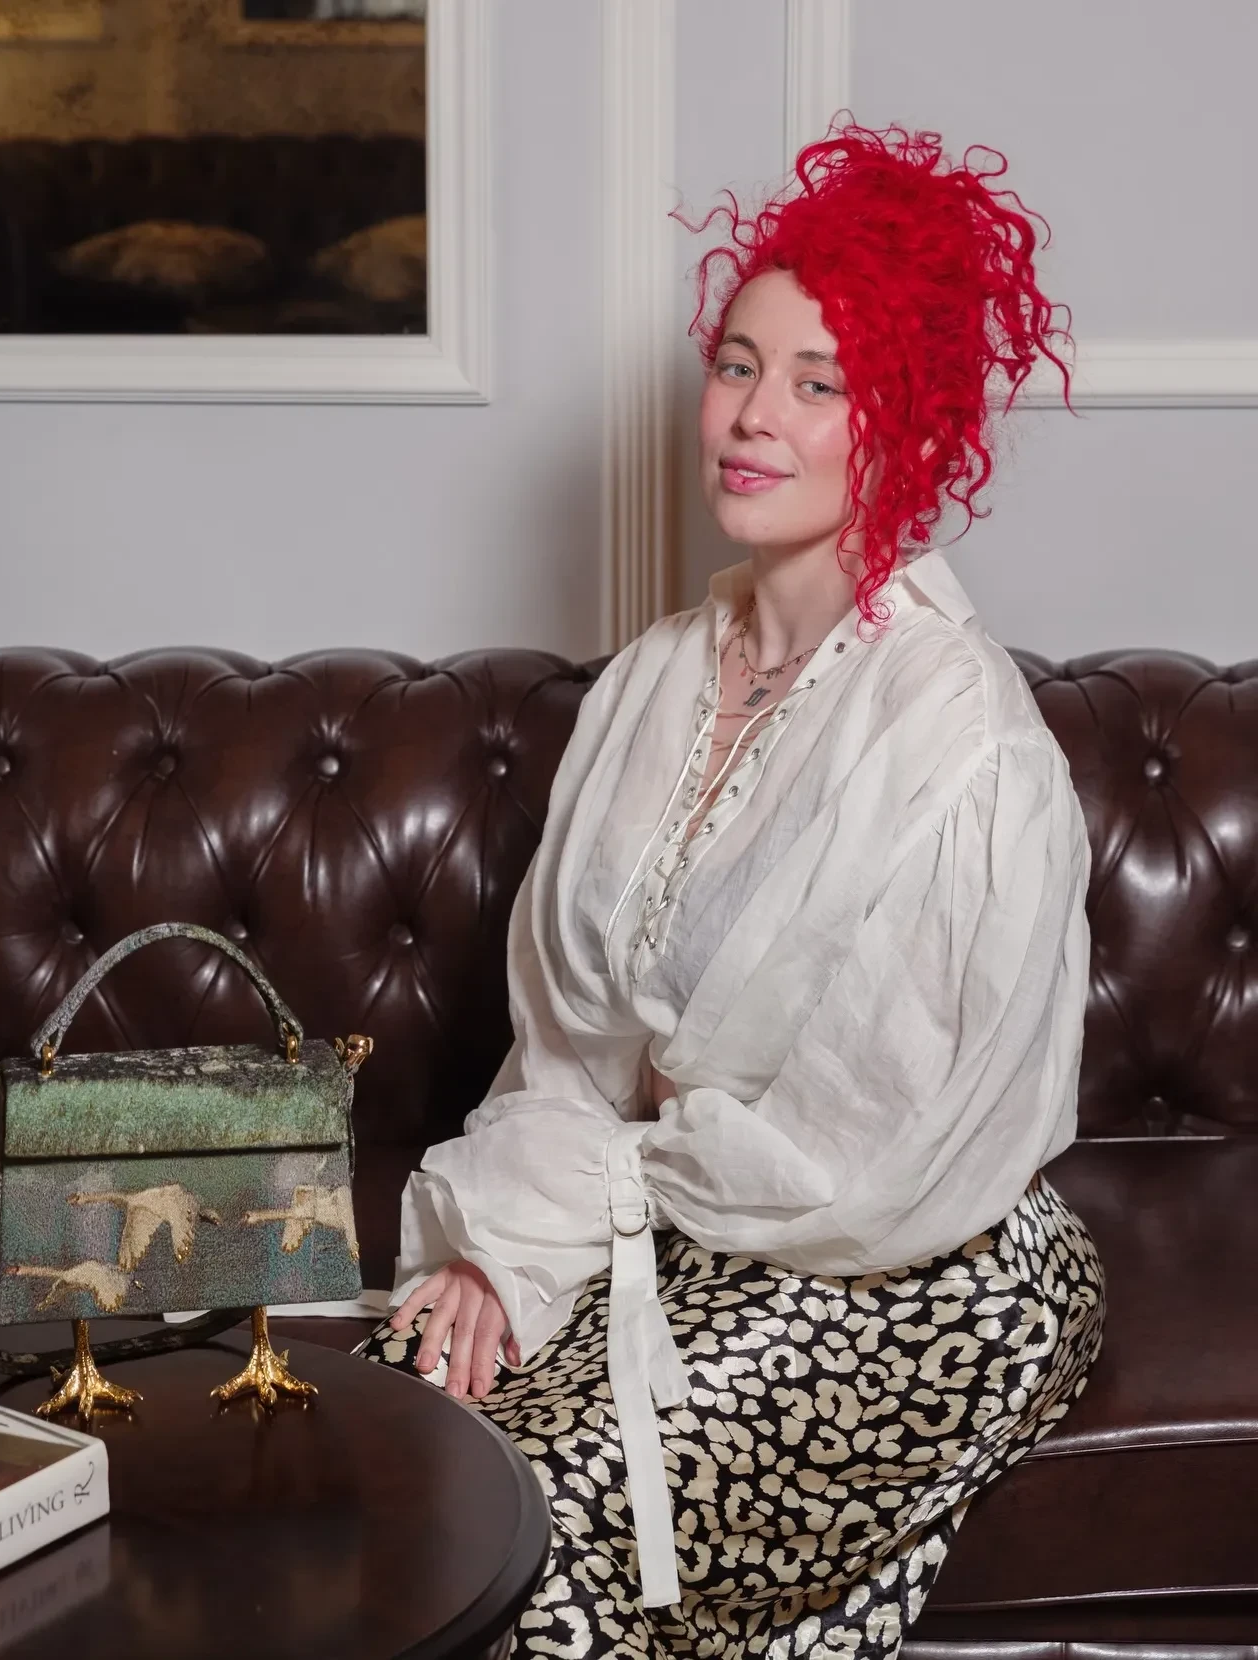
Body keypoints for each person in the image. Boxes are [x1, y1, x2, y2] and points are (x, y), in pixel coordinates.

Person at [362, 122, 1105, 1659]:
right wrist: (506, 1245)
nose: (755, 415)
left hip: (925, 1272)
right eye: (738, 366)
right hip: (678, 1216)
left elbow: (865, 1159)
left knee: (529, 1534)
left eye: (819, 384)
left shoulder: (959, 743)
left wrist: (605, 1175)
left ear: (907, 424)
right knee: (392, 1438)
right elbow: (576, 1059)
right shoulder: (652, 684)